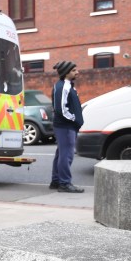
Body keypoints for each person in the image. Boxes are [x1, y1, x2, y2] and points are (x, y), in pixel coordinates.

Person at [49, 61, 85, 193]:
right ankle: (64, 183)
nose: (77, 72)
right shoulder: (63, 86)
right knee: (66, 155)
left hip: (66, 126)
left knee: (61, 154)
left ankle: (57, 181)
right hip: (65, 126)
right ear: (66, 72)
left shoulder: (67, 85)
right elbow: (61, 109)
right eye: (74, 70)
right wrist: (74, 120)